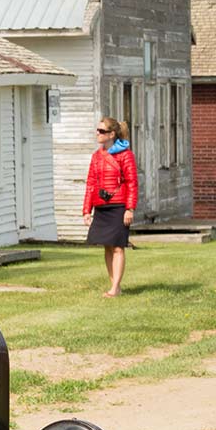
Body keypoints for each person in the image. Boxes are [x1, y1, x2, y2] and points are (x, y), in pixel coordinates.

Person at [82, 117, 138, 297]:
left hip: (119, 206)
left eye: (102, 131)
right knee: (107, 246)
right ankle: (115, 285)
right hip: (101, 206)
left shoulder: (125, 155)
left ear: (111, 134)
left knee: (118, 247)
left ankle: (114, 288)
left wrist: (130, 208)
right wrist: (86, 210)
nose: (98, 134)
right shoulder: (96, 156)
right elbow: (90, 183)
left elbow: (132, 182)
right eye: (97, 130)